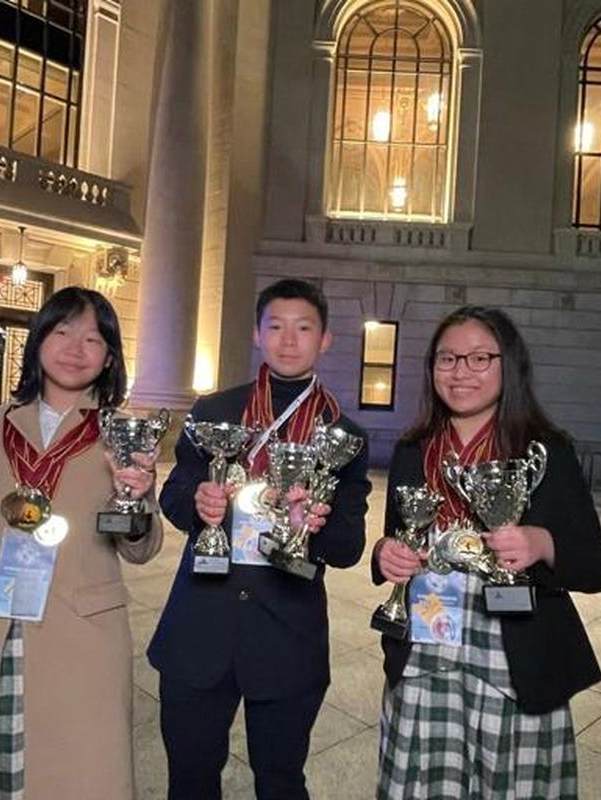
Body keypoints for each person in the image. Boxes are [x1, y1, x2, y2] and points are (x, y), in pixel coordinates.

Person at [0, 286, 163, 799]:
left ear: (110, 356)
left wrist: (135, 498)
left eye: (93, 338)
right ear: (39, 340)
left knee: (77, 773)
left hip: (82, 629)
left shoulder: (122, 430)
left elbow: (139, 547)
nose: (75, 347)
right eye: (62, 331)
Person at [372, 305, 601, 799]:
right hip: (425, 660)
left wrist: (541, 542)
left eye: (480, 358)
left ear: (510, 365)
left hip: (516, 662)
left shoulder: (545, 451)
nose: (461, 372)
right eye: (447, 359)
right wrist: (385, 555)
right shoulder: (413, 450)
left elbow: (596, 567)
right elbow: (397, 538)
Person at [148, 278, 372, 799]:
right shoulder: (214, 412)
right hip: (200, 625)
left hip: (287, 634)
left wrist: (312, 526)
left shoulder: (344, 435)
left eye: (303, 328)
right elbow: (174, 496)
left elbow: (348, 547)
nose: (288, 340)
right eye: (276, 326)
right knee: (190, 779)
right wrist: (199, 502)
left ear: (325, 341)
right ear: (257, 335)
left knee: (281, 781)